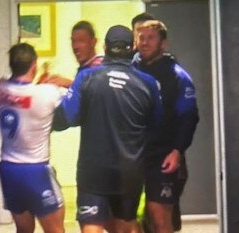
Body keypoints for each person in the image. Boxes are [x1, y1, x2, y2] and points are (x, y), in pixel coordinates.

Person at [53, 25, 163, 233]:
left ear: (105, 46)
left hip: (93, 170)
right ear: (133, 48)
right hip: (130, 170)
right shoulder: (148, 83)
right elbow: (156, 125)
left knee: (92, 227)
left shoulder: (86, 78)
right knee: (125, 226)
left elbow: (65, 118)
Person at [132, 20, 199, 233]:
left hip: (163, 158)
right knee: (129, 220)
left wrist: (177, 151)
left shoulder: (178, 76)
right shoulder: (130, 71)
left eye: (150, 38)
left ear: (164, 44)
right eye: (141, 38)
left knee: (159, 216)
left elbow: (189, 117)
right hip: (131, 156)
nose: (144, 42)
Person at [0, 43, 65, 233]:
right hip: (35, 170)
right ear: (34, 64)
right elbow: (71, 105)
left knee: (23, 229)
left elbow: (23, 93)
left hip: (8, 168)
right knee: (56, 230)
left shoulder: (0, 87)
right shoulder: (48, 92)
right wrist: (63, 81)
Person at [38, 20, 103, 87]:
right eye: (73, 41)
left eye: (81, 41)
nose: (75, 46)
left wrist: (70, 84)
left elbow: (97, 91)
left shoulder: (101, 67)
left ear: (93, 42)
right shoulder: (85, 67)